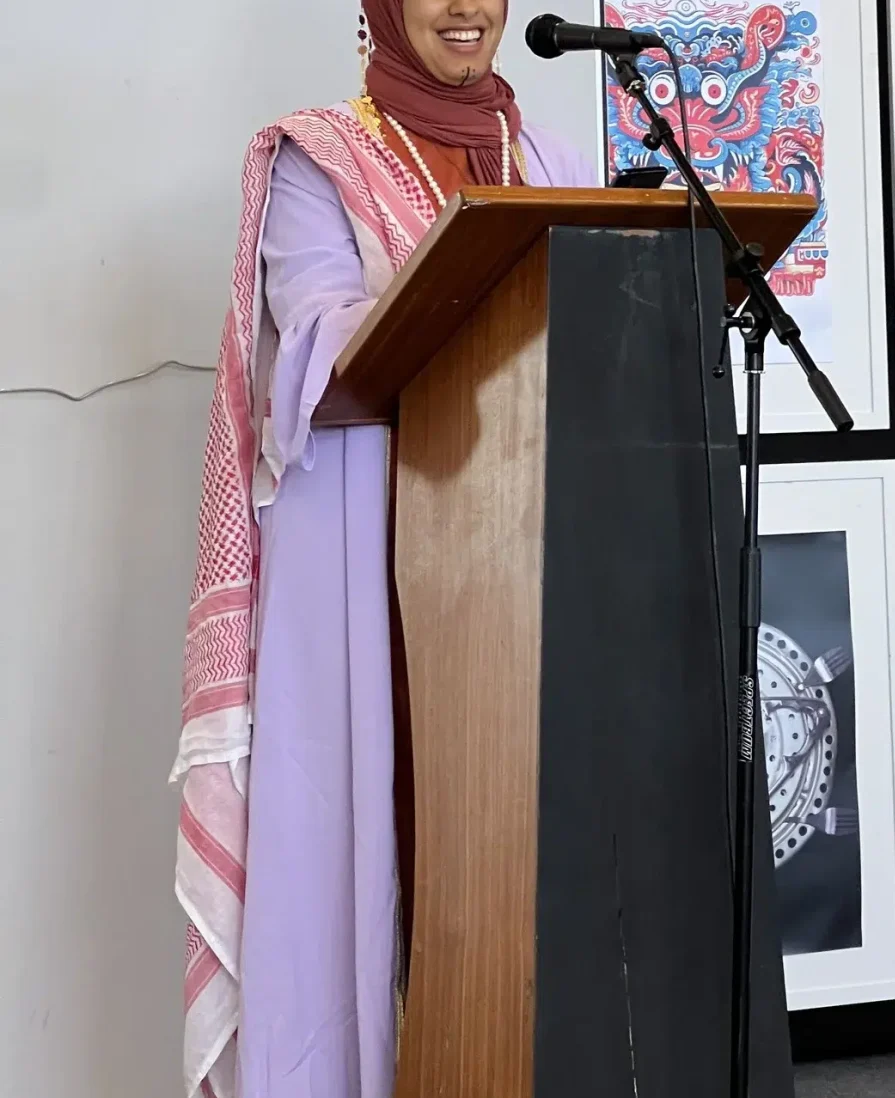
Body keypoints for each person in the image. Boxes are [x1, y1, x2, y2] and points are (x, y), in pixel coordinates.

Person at [169, 4, 595, 1097]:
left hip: (531, 556)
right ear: (380, 11)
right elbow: (318, 335)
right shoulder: (318, 156)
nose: (466, 6)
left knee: (531, 863)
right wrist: (464, 287)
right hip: (375, 566)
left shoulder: (546, 156)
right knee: (382, 866)